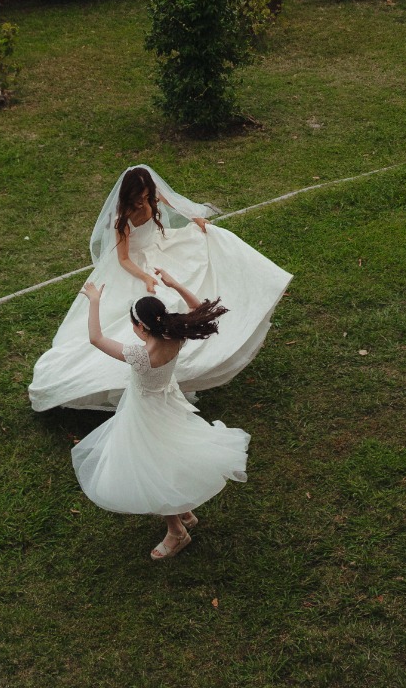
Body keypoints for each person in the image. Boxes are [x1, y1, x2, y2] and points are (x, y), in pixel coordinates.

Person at [29, 164, 291, 413]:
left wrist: (196, 217)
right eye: (139, 198)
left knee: (209, 242)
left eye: (146, 196)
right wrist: (144, 277)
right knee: (149, 305)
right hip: (138, 263)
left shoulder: (153, 197)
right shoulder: (122, 219)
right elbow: (123, 259)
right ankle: (149, 365)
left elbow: (174, 203)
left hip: (162, 248)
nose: (144, 202)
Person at [71, 270, 249, 559]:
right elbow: (197, 308)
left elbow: (96, 338)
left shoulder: (140, 356)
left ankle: (177, 531)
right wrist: (175, 284)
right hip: (170, 404)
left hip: (145, 416)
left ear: (140, 328)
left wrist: (94, 300)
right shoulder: (174, 336)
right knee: (168, 459)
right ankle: (185, 514)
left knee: (151, 470)